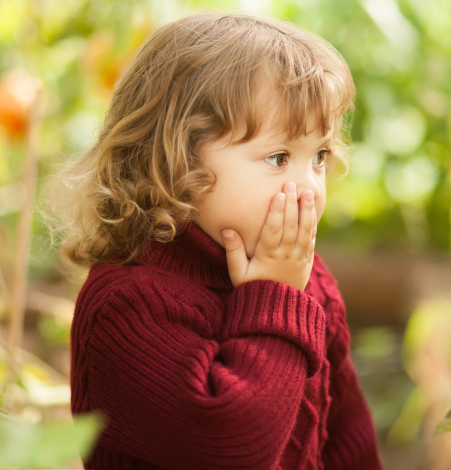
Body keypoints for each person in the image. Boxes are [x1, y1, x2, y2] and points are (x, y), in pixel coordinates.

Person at [51, 11, 383, 469]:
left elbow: (347, 435)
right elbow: (230, 445)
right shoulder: (128, 307)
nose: (309, 185)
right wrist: (276, 296)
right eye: (278, 156)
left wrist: (287, 288)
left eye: (319, 156)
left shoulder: (307, 279)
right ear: (175, 158)